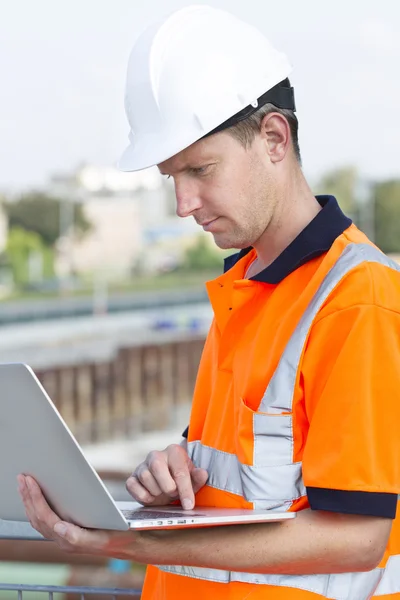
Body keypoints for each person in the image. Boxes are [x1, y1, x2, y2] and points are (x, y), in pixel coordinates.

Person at [18, 5, 400, 599]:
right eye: (172, 176)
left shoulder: (358, 299)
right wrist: (172, 473)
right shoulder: (247, 289)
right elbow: (247, 481)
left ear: (275, 137)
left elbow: (356, 537)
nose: (183, 203)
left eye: (200, 169)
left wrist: (132, 543)